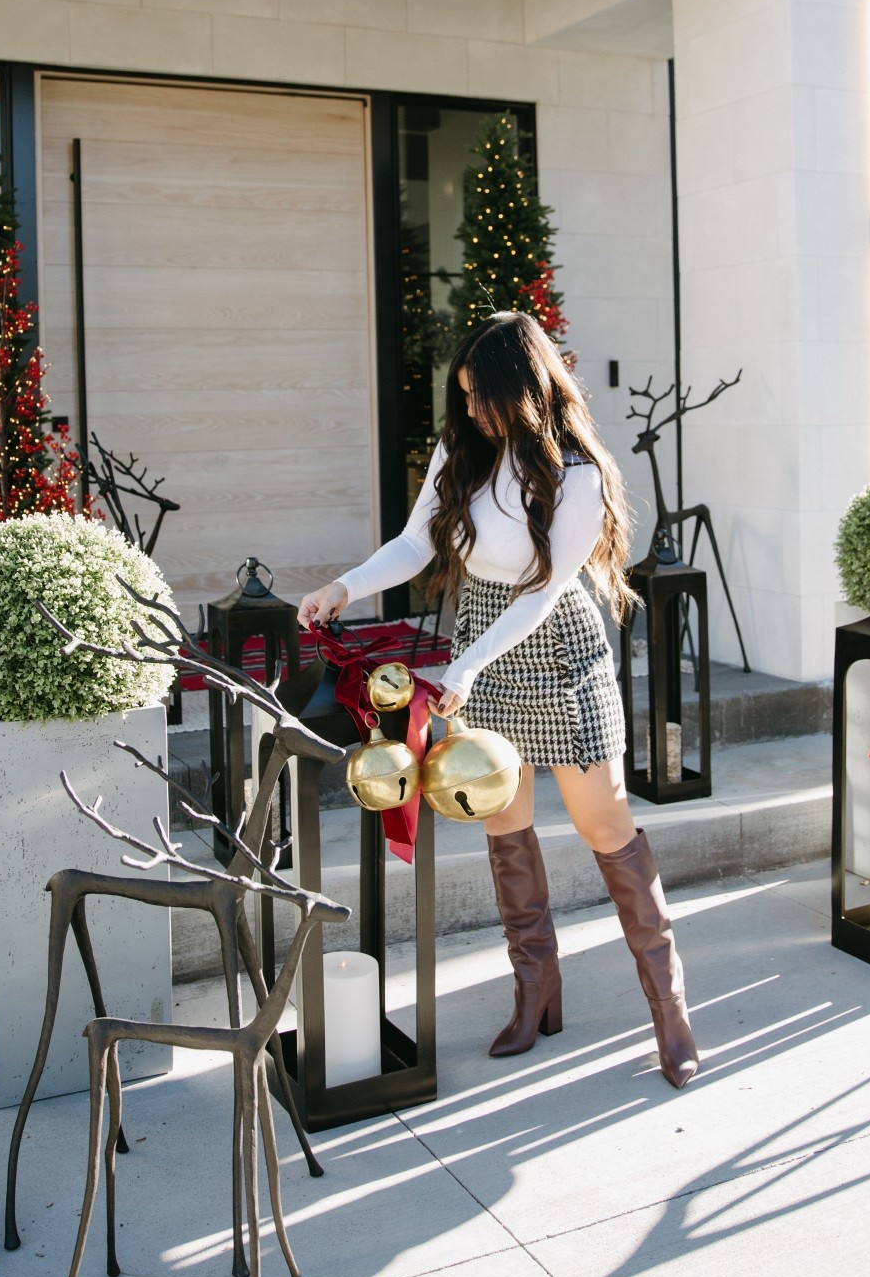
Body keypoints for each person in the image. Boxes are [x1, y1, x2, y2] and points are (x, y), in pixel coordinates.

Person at [299, 312, 698, 1089]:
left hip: (553, 650)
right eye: (466, 397)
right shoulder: (463, 450)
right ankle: (534, 991)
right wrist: (343, 587)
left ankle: (669, 1010)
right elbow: (417, 543)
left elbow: (545, 594)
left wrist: (470, 664)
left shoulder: (576, 471)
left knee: (603, 822)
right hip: (479, 639)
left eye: (485, 396)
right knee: (503, 821)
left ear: (526, 388)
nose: (474, 410)